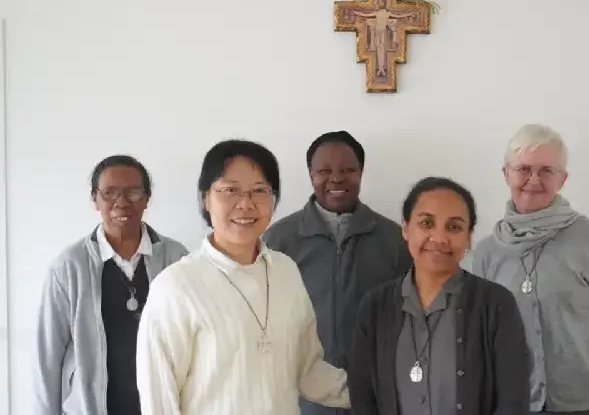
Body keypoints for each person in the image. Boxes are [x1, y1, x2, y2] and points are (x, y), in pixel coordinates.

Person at [135, 139, 350, 415]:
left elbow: (308, 370)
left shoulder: (286, 271)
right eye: (230, 190)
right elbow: (159, 401)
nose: (245, 203)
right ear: (206, 198)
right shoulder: (176, 286)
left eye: (259, 191)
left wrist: (378, 389)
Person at [472, 124, 589, 415]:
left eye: (546, 171)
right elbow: (483, 344)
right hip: (519, 403)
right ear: (506, 174)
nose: (533, 180)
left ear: (562, 179)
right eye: (523, 169)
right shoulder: (487, 252)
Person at [348, 177, 531, 415]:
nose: (439, 238)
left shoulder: (496, 304)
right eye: (426, 223)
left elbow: (512, 401)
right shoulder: (375, 306)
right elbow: (362, 396)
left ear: (469, 235)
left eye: (454, 227)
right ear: (405, 228)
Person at [263, 131, 411, 415]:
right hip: (301, 400)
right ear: (310, 174)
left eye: (348, 170)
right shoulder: (278, 241)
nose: (336, 179)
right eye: (324, 171)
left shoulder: (395, 239)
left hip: (374, 397)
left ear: (361, 172)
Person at [31, 155, 189, 415]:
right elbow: (46, 357)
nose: (122, 202)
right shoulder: (69, 267)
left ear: (147, 198)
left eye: (134, 192)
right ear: (95, 199)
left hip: (160, 404)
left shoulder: (176, 258)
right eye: (109, 193)